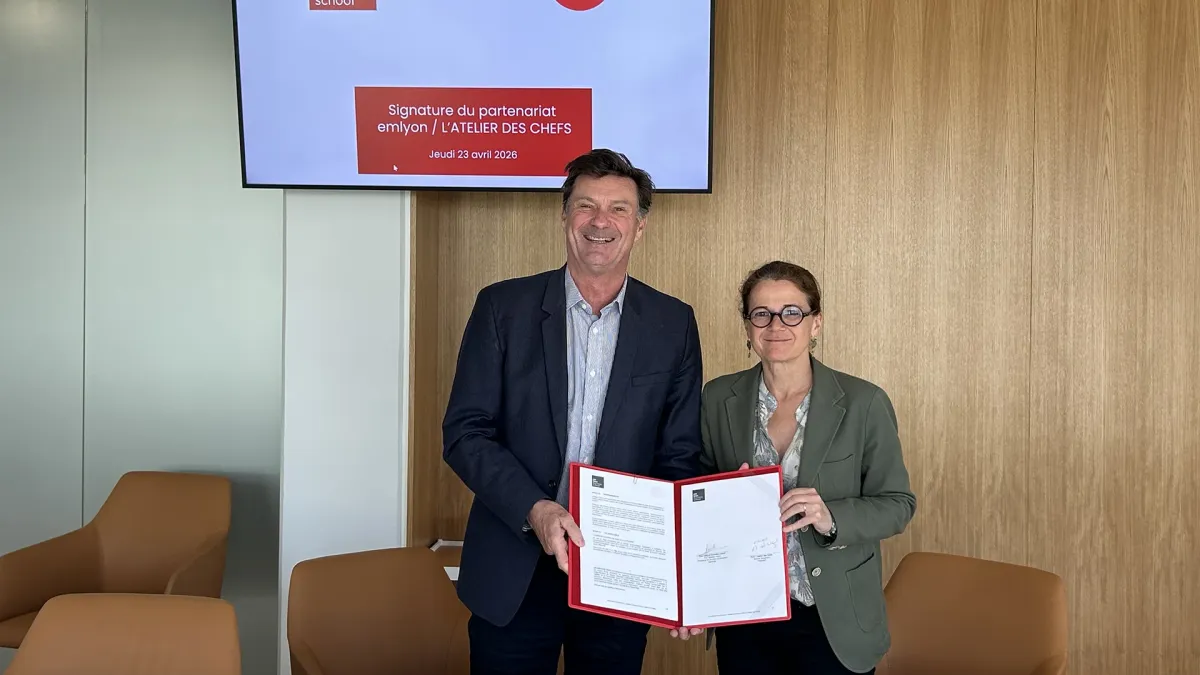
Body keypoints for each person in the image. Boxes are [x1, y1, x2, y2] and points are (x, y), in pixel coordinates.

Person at [442, 149, 706, 675]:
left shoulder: (672, 323)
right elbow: (465, 433)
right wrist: (535, 509)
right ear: (564, 217)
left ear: (640, 226)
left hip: (620, 572)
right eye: (586, 205)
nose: (601, 222)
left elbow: (678, 456)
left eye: (619, 209)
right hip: (514, 565)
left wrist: (684, 568)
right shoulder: (503, 308)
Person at [693, 260, 916, 675]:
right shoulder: (717, 396)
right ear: (747, 327)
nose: (776, 325)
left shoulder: (863, 402)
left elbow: (898, 504)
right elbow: (695, 493)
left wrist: (830, 517)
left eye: (792, 312)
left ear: (816, 324)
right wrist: (724, 497)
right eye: (761, 313)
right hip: (744, 612)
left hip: (831, 618)